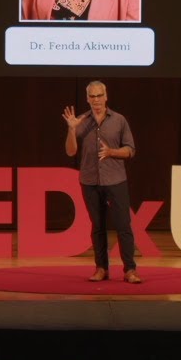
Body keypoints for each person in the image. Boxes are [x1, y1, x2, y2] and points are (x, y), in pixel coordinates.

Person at [63, 80, 141, 284]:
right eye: (92, 96)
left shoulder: (119, 120)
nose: (96, 100)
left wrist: (111, 152)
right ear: (87, 99)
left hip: (116, 180)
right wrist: (71, 130)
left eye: (99, 95)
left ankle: (130, 270)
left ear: (106, 97)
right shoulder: (81, 120)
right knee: (97, 226)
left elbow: (130, 150)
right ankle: (101, 268)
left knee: (123, 225)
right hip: (89, 180)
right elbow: (71, 151)